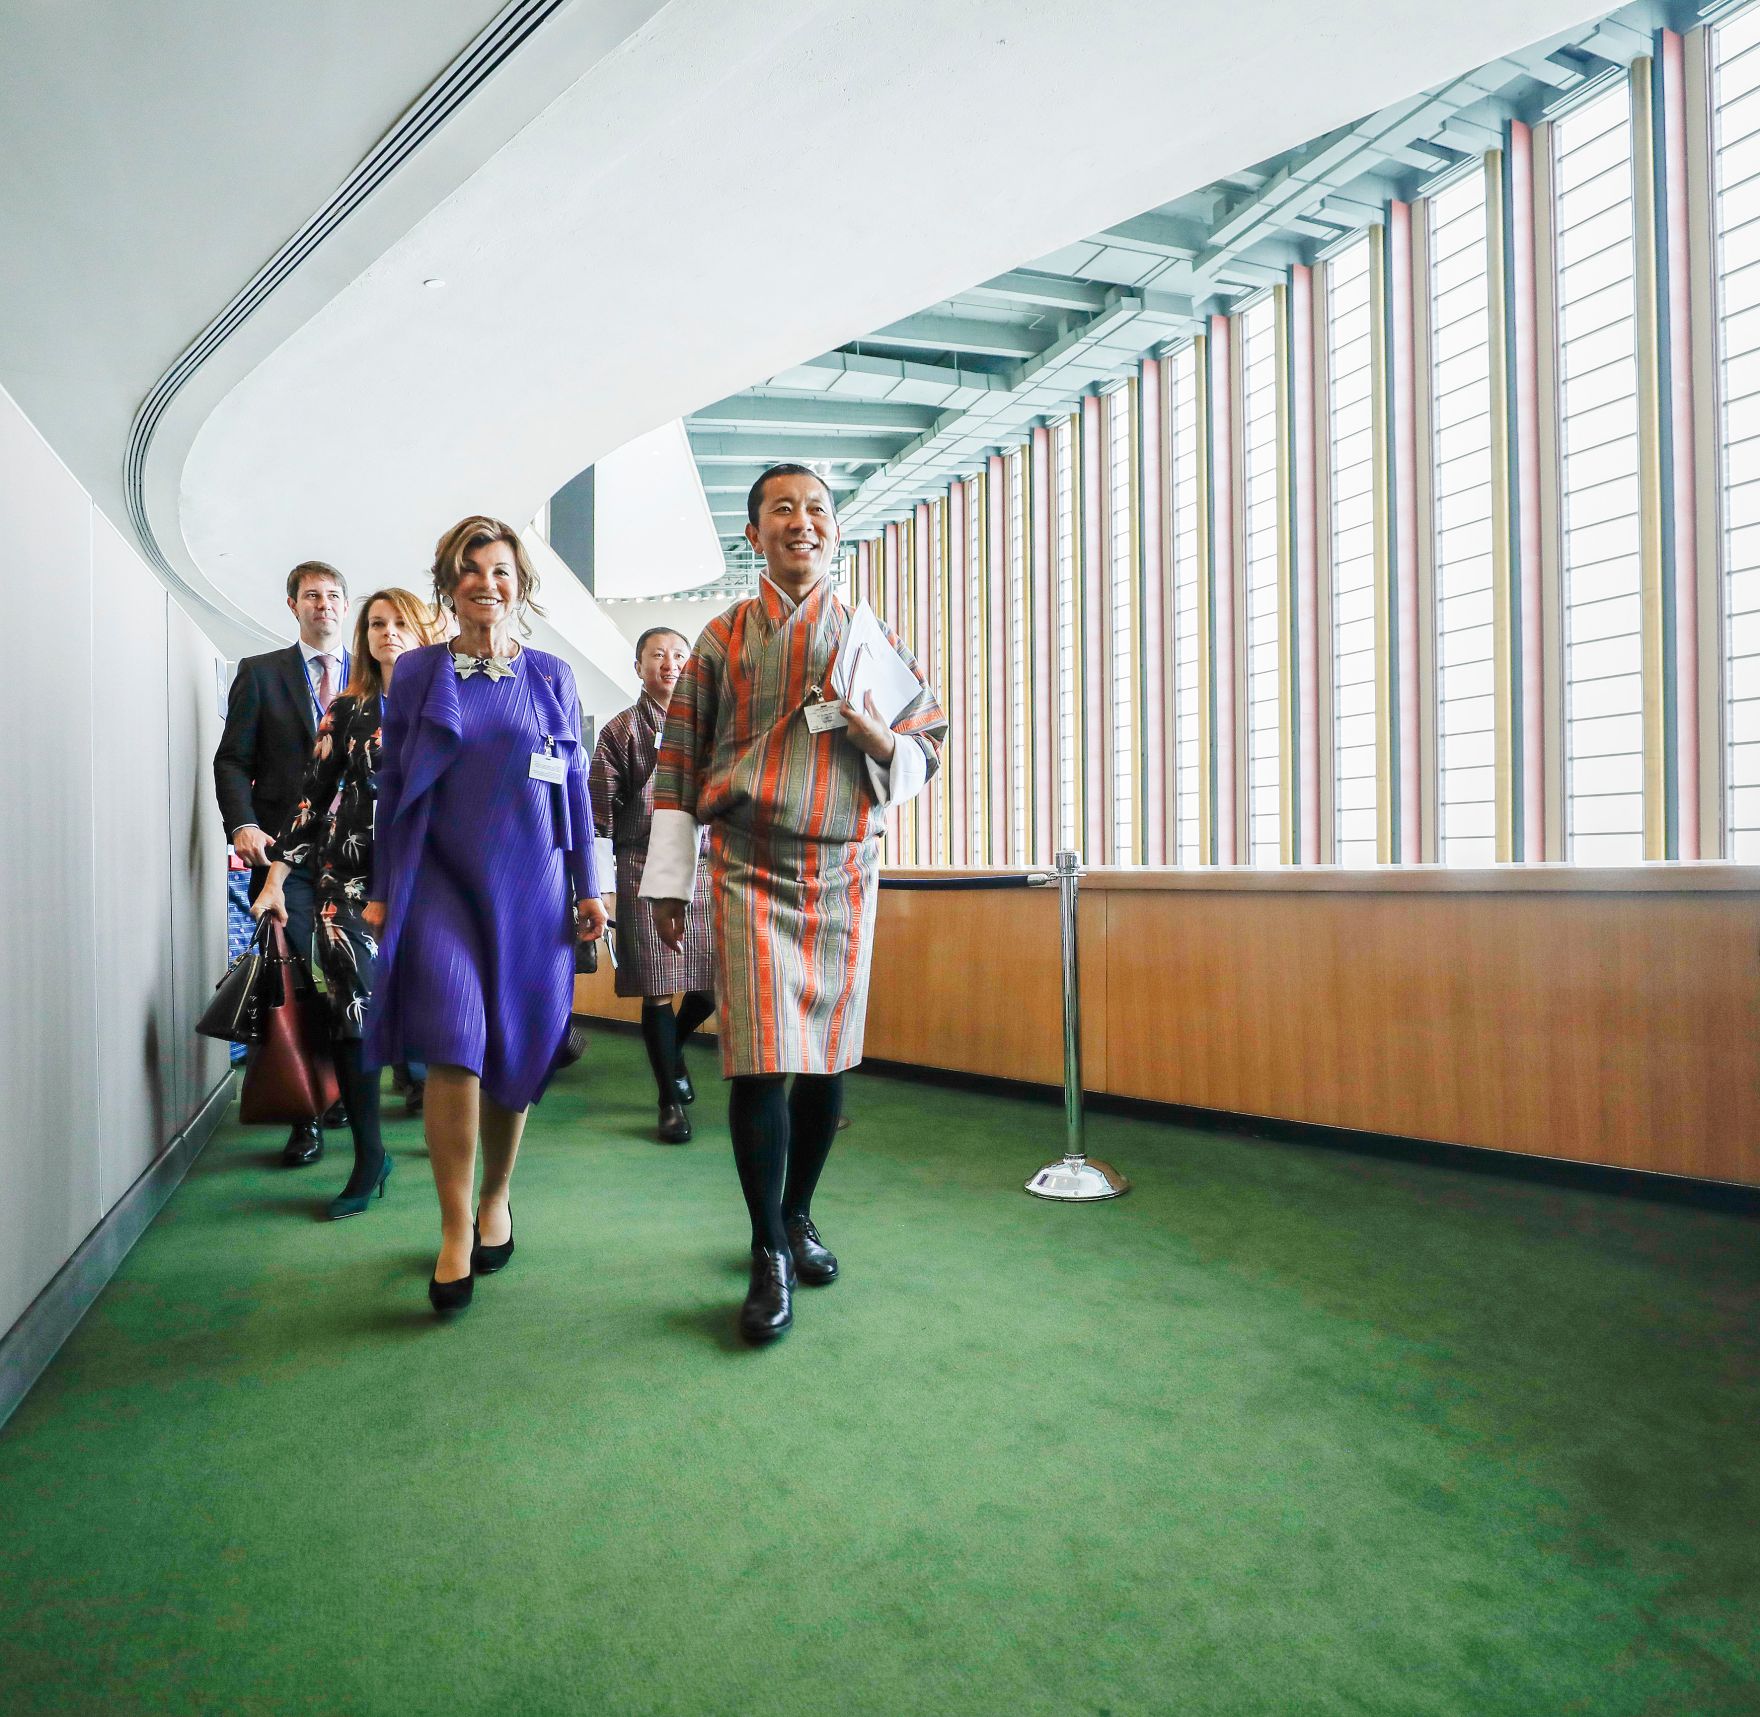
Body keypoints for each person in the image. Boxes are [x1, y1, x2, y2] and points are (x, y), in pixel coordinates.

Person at [643, 464, 946, 1344]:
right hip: (749, 862)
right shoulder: (720, 638)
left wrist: (877, 734)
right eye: (783, 508)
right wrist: (669, 883)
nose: (801, 521)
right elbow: (677, 761)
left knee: (825, 1058)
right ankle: (767, 1246)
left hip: (844, 868)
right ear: (755, 535)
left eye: (817, 509)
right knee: (759, 1057)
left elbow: (928, 739)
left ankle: (799, 1210)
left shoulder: (867, 635)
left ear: (835, 531)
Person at [363, 517, 606, 1315]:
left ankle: (496, 1196)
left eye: (500, 570)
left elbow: (574, 785)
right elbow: (392, 787)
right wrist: (381, 886)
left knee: (516, 1042)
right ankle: (452, 1227)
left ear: (520, 584)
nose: (485, 583)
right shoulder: (416, 672)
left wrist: (589, 885)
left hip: (532, 884)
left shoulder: (553, 675)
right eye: (469, 570)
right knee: (455, 1045)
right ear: (448, 584)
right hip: (439, 883)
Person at [251, 588, 441, 1218]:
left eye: (401, 623)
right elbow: (309, 802)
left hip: (432, 880)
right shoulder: (348, 709)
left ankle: (453, 1140)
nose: (389, 632)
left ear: (424, 632)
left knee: (440, 1011)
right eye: (377, 624)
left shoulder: (451, 701)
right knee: (352, 1014)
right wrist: (276, 882)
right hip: (350, 881)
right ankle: (368, 1157)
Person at [213, 561, 351, 1166]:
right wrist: (242, 825)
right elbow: (231, 760)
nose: (324, 604)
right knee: (293, 979)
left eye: (334, 595)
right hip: (282, 856)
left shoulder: (374, 676)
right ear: (293, 605)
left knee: (350, 973)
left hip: (357, 855)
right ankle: (304, 1112)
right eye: (312, 595)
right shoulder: (261, 673)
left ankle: (344, 1085)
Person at [590, 628, 717, 1145]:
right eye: (658, 655)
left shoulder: (712, 726)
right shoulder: (621, 730)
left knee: (712, 986)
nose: (670, 663)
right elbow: (598, 814)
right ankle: (669, 1101)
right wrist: (600, 887)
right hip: (642, 864)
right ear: (639, 666)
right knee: (658, 986)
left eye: (679, 655)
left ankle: (673, 1050)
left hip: (707, 865)